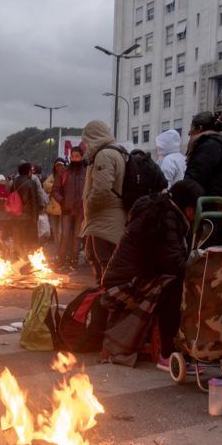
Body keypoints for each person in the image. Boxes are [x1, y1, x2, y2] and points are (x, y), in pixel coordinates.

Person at [102, 181, 203, 370]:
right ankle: (168, 353)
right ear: (188, 208)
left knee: (176, 282)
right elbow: (175, 264)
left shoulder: (162, 210)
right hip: (124, 285)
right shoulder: (166, 218)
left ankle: (178, 347)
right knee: (174, 286)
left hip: (129, 277)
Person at [80, 120, 126, 283]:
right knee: (94, 255)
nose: (85, 145)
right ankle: (103, 295)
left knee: (104, 260)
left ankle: (105, 298)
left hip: (105, 218)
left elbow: (102, 189)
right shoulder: (114, 152)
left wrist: (89, 206)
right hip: (104, 218)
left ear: (93, 136)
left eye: (86, 140)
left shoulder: (104, 155)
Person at [182, 111, 222, 197]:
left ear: (200, 128)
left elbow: (193, 180)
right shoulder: (220, 144)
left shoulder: (208, 147)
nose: (189, 133)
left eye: (191, 128)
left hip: (208, 203)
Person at [54, 149, 88, 270]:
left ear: (82, 157)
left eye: (77, 156)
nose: (75, 159)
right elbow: (55, 190)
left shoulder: (87, 172)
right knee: (65, 235)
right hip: (66, 209)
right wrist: (62, 201)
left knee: (77, 236)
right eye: (73, 156)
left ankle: (74, 260)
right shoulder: (64, 172)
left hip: (81, 210)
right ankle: (61, 259)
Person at [11, 162, 41, 257]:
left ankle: (17, 261)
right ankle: (27, 263)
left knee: (18, 239)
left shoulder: (14, 182)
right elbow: (35, 201)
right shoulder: (31, 183)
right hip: (28, 217)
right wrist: (35, 218)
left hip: (15, 216)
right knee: (29, 241)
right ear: (28, 171)